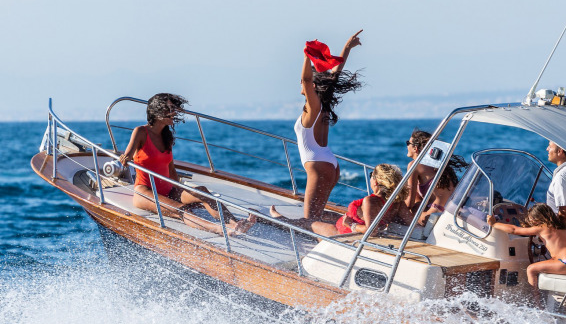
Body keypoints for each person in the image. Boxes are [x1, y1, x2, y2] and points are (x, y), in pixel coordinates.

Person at [119, 93, 255, 236]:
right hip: (145, 191)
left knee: (202, 191)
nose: (174, 112)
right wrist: (125, 159)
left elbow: (171, 169)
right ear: (158, 111)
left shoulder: (167, 136)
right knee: (181, 209)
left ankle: (235, 224)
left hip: (168, 190)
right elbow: (128, 154)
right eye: (169, 109)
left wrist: (182, 192)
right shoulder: (140, 131)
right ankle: (220, 229)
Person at [292, 30, 363, 222]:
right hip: (328, 163)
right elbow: (335, 74)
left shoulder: (313, 106)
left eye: (304, 83)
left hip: (318, 166)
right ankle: (351, 223)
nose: (300, 83)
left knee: (309, 221)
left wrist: (307, 57)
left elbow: (307, 79)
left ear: (312, 87)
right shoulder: (323, 104)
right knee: (317, 216)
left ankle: (351, 231)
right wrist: (347, 47)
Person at [272, 163, 412, 238]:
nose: (370, 178)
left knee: (307, 223)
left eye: (371, 175)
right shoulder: (396, 202)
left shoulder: (371, 201)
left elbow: (371, 230)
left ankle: (274, 220)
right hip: (348, 225)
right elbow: (410, 223)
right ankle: (282, 219)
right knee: (327, 215)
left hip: (343, 234)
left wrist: (351, 225)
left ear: (376, 180)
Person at [487, 203, 566, 288]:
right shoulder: (562, 226)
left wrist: (494, 224)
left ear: (537, 218)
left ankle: (536, 304)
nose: (531, 223)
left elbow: (514, 230)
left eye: (532, 221)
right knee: (546, 262)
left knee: (531, 269)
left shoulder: (542, 228)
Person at [404, 129, 467, 225]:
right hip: (448, 211)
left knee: (401, 212)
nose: (407, 145)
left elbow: (409, 203)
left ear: (415, 148)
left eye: (408, 143)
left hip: (433, 214)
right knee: (417, 205)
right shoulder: (439, 165)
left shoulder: (414, 165)